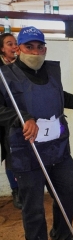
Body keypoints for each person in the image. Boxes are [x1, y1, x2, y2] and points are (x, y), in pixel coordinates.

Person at [0, 26, 73, 240]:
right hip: (27, 151)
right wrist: (23, 118)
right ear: (18, 49)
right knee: (33, 205)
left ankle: (62, 233)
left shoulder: (51, 71)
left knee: (67, 191)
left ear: (45, 48)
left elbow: (61, 97)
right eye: (29, 47)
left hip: (58, 149)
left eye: (40, 47)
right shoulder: (4, 77)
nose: (35, 52)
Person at [0, 33, 22, 209]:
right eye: (9, 44)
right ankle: (16, 190)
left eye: (15, 43)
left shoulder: (22, 65)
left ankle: (25, 188)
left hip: (24, 116)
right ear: (1, 48)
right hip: (6, 119)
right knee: (10, 155)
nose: (14, 46)